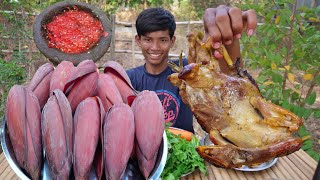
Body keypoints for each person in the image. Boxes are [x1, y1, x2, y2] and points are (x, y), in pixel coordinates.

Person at [126, 5, 257, 133]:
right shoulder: (128, 79)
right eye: (148, 40)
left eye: (163, 40)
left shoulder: (187, 71)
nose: (155, 47)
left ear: (172, 41)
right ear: (138, 40)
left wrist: (230, 40)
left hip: (186, 149)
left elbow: (226, 77)